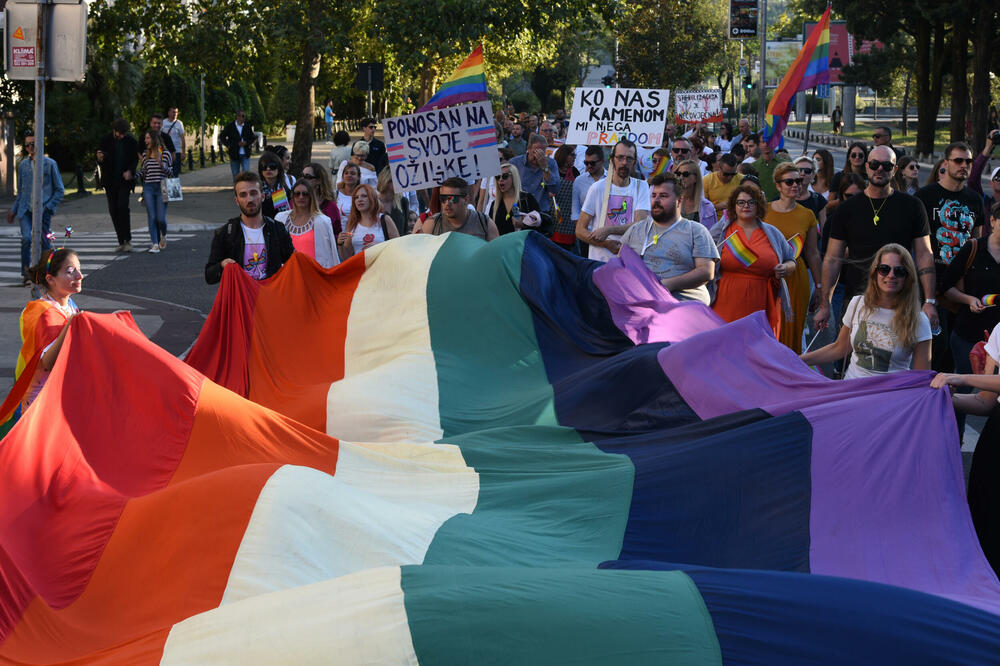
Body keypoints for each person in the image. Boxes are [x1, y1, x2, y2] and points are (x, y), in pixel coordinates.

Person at [815, 146, 937, 334]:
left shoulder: (912, 206)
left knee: (898, 359)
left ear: (895, 170)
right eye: (874, 164)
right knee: (847, 358)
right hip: (857, 299)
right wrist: (825, 304)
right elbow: (832, 259)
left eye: (887, 165)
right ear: (867, 167)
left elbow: (924, 254)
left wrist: (929, 301)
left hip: (899, 300)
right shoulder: (847, 209)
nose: (880, 169)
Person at [931, 320, 1000, 576]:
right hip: (995, 437)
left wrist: (959, 377)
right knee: (987, 523)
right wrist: (942, 396)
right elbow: (985, 401)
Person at [802, 244, 931, 377]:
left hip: (890, 396)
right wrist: (799, 360)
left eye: (899, 271)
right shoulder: (858, 303)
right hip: (851, 391)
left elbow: (921, 378)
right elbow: (839, 348)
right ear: (875, 273)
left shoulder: (919, 320)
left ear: (908, 277)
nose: (891, 275)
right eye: (884, 269)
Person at [916, 142, 984, 372]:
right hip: (930, 285)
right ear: (945, 163)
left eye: (968, 161)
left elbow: (977, 242)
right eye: (958, 160)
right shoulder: (925, 196)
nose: (964, 165)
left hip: (960, 288)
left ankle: (950, 401)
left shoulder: (975, 199)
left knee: (955, 355)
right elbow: (914, 242)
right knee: (932, 350)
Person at [2, 248, 84, 419]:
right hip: (41, 406)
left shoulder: (70, 306)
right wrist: (71, 325)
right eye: (71, 271)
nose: (79, 276)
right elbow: (48, 362)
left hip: (61, 396)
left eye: (79, 269)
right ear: (50, 279)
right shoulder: (40, 312)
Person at [710, 183, 797, 337]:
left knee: (757, 351)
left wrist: (785, 268)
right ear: (733, 206)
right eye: (741, 202)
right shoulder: (720, 231)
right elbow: (703, 258)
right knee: (725, 349)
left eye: (751, 202)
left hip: (762, 303)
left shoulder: (773, 233)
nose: (746, 206)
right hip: (725, 302)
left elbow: (791, 260)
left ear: (759, 205)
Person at [620, 172, 718, 305]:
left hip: (681, 305)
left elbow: (706, 271)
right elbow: (620, 264)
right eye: (654, 195)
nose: (656, 200)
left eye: (664, 196)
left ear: (679, 200)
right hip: (641, 303)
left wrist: (665, 285)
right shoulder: (636, 229)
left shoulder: (696, 231)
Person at [764, 162, 822, 352]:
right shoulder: (763, 211)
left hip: (797, 278)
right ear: (778, 185)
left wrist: (820, 288)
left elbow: (813, 253)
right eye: (789, 182)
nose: (796, 185)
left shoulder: (807, 215)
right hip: (767, 277)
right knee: (768, 329)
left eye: (798, 180)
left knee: (793, 331)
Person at [205, 171, 295, 284]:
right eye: (243, 195)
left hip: (271, 298)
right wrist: (222, 265)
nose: (249, 199)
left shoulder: (277, 229)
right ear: (237, 201)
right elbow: (210, 276)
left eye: (253, 193)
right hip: (240, 299)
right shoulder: (226, 233)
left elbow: (294, 265)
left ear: (262, 196)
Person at [576, 139, 651, 262]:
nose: (624, 163)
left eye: (629, 159)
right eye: (620, 157)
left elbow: (640, 225)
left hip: (629, 263)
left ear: (634, 162)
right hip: (600, 262)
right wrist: (605, 243)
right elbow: (580, 230)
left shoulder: (641, 186)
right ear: (612, 160)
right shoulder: (598, 188)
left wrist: (609, 229)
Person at [8, 134, 65, 282]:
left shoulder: (50, 164)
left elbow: (59, 189)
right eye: (27, 145)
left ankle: (46, 273)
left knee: (44, 241)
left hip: (43, 209)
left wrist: (48, 207)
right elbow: (21, 192)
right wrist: (14, 210)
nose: (30, 147)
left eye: (33, 144)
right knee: (26, 238)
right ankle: (27, 273)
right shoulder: (22, 165)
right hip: (25, 209)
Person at [275, 179, 339, 268]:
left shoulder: (323, 221)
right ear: (292, 196)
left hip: (313, 274)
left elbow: (331, 254)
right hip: (288, 274)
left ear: (311, 196)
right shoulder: (280, 218)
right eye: (297, 194)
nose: (301, 197)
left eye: (305, 194)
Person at [97, 118, 139, 253]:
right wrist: (100, 158)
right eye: (120, 133)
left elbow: (135, 159)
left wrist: (130, 171)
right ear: (114, 131)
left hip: (124, 181)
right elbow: (100, 158)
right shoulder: (105, 139)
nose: (122, 136)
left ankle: (127, 240)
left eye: (124, 133)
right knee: (113, 210)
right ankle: (121, 241)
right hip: (110, 181)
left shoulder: (131, 141)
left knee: (122, 207)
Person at [419, 177, 499, 240]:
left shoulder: (485, 224)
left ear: (466, 200)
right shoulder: (432, 224)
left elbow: (495, 256)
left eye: (453, 199)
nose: (447, 203)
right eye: (443, 198)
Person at [338, 183, 401, 259]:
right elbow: (347, 257)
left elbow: (398, 247)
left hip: (382, 267)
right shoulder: (352, 223)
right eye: (356, 198)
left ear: (372, 198)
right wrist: (340, 244)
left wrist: (379, 248)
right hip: (361, 269)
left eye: (364, 196)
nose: (359, 200)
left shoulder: (384, 219)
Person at [487, 162, 549, 236]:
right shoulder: (495, 204)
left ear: (514, 178)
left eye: (505, 176)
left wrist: (523, 224)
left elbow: (540, 225)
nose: (500, 180)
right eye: (497, 177)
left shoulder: (527, 199)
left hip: (522, 245)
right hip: (502, 246)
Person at [138, 130, 172, 253]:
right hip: (148, 188)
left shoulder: (165, 154)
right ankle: (155, 244)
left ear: (154, 139)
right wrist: (134, 175)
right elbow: (144, 172)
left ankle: (164, 235)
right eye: (145, 138)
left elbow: (171, 173)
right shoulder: (145, 154)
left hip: (163, 187)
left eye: (147, 138)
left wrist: (162, 165)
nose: (145, 141)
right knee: (152, 217)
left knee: (161, 218)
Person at [509, 134, 560, 215]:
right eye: (535, 152)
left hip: (541, 212)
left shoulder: (551, 163)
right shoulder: (515, 163)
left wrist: (545, 168)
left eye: (541, 153)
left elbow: (555, 189)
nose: (538, 156)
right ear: (528, 149)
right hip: (519, 211)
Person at [674, 158, 717, 228]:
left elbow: (711, 235)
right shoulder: (671, 203)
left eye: (685, 174)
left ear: (696, 178)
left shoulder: (707, 207)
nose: (681, 177)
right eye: (678, 174)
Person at [550, 144, 579, 248]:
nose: (575, 157)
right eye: (572, 155)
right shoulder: (552, 170)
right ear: (564, 155)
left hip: (569, 218)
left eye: (575, 155)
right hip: (553, 214)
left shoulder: (575, 172)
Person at [302, 162, 342, 235]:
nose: (303, 180)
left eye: (308, 177)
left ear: (318, 180)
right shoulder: (295, 201)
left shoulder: (330, 207)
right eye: (302, 176)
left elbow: (337, 233)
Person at [792, 155, 828, 231]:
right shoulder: (782, 198)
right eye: (799, 170)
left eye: (807, 171)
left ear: (813, 175)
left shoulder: (819, 200)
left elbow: (824, 231)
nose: (803, 173)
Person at [702, 153, 742, 219]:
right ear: (719, 168)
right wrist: (717, 207)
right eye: (726, 174)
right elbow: (702, 209)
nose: (730, 177)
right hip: (714, 222)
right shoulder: (707, 181)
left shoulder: (742, 180)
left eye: (733, 174)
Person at [970, 130, 1000, 213]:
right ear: (991, 184)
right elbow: (973, 180)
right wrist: (988, 147)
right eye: (997, 178)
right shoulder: (985, 203)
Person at [220, 110, 254, 179]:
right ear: (238, 117)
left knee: (246, 172)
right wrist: (229, 145)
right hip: (234, 153)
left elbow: (252, 137)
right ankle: (237, 187)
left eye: (245, 116)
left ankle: (245, 187)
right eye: (243, 116)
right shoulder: (230, 126)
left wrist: (246, 142)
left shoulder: (247, 126)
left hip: (245, 153)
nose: (244, 118)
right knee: (235, 173)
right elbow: (222, 136)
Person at [258, 152, 293, 219]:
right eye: (264, 166)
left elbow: (282, 215)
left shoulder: (283, 190)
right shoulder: (257, 190)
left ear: (279, 169)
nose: (268, 169)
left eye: (272, 166)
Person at [377, 167, 410, 237]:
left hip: (400, 245)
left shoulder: (403, 201)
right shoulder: (373, 202)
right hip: (380, 246)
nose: (400, 182)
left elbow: (406, 229)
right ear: (386, 180)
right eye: (396, 180)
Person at [162, 107, 185, 177]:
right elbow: (159, 137)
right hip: (164, 151)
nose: (175, 114)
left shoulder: (179, 123)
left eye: (176, 112)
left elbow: (182, 138)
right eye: (173, 112)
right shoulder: (163, 122)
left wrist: (183, 152)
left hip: (176, 151)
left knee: (175, 172)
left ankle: (173, 187)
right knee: (163, 172)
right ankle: (164, 188)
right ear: (168, 113)